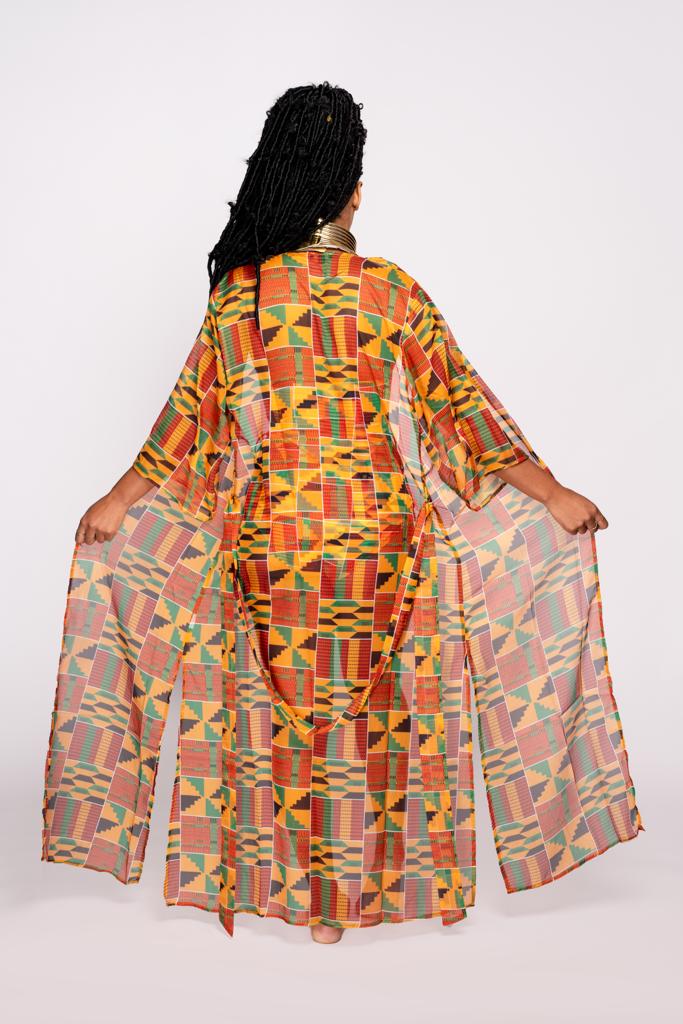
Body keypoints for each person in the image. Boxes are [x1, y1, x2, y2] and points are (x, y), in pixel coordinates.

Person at [41, 81, 643, 945]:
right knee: (388, 719)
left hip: (273, 540)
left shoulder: (241, 298)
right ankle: (389, 890)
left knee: (283, 720)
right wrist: (551, 494)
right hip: (382, 540)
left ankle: (310, 906)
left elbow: (185, 425)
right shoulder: (391, 293)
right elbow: (462, 414)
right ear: (352, 189)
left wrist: (118, 501)